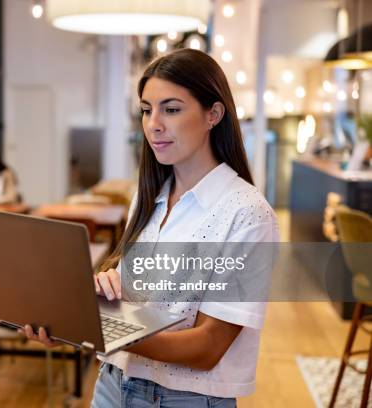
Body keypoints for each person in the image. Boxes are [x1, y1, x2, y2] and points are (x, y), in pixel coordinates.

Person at [22, 49, 279, 407]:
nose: (153, 124)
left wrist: (95, 329)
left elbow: (208, 347)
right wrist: (84, 311)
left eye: (171, 109)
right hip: (113, 384)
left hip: (184, 399)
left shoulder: (248, 214)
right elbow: (138, 305)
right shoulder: (149, 199)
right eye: (146, 110)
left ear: (213, 114)